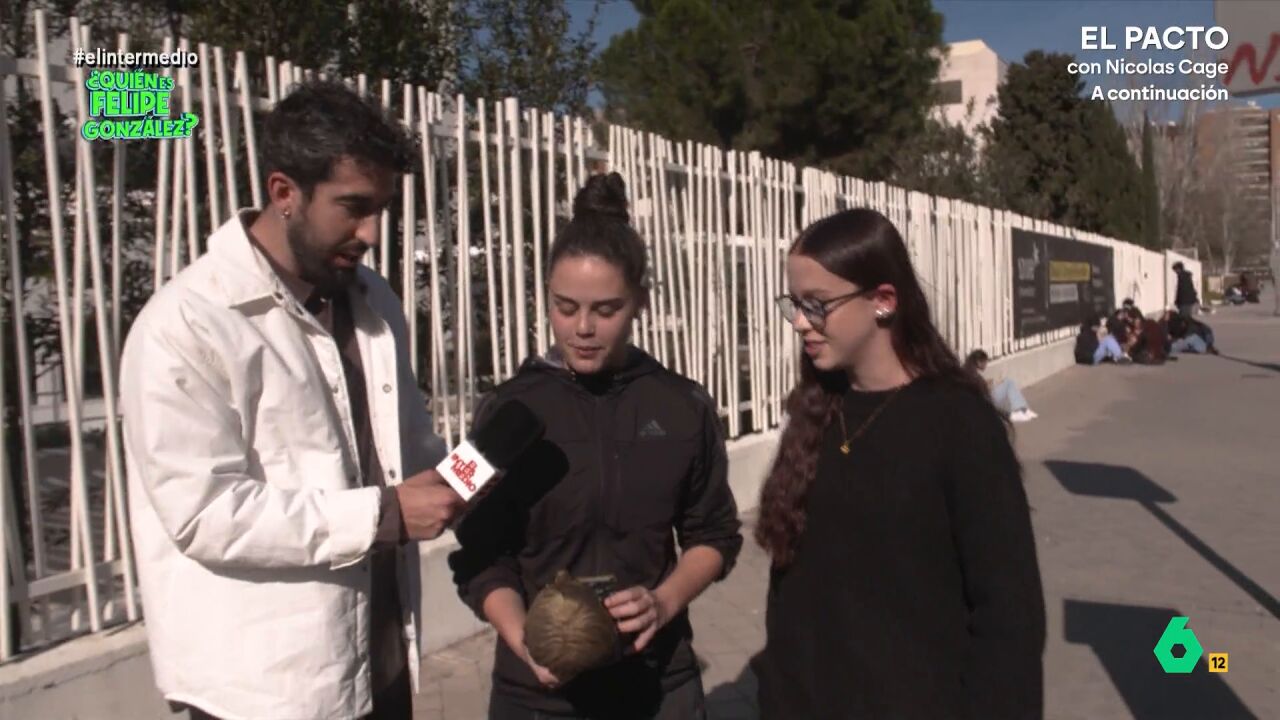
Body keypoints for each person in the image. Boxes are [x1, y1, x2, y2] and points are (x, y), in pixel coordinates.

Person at [119, 81, 468, 720]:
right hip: (264, 692)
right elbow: (206, 514)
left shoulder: (374, 301)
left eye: (381, 210)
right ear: (284, 193)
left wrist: (472, 478)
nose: (369, 232)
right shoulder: (187, 324)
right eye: (352, 207)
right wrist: (383, 515)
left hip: (381, 658)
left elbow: (410, 450)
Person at [449, 173, 743, 720]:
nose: (582, 327)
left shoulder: (684, 406)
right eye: (565, 307)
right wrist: (524, 639)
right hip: (536, 695)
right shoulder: (503, 410)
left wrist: (664, 601)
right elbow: (476, 553)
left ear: (640, 303)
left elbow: (716, 535)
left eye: (606, 310)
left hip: (659, 686)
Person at [753, 208, 1045, 718]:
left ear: (883, 301)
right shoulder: (815, 409)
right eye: (795, 304)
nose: (800, 322)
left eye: (817, 305)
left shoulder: (959, 423)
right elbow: (791, 593)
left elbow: (1009, 615)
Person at [964, 350, 1037, 422]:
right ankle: (1022, 411)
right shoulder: (974, 376)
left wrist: (990, 383)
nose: (986, 364)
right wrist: (994, 384)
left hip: (980, 400)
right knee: (1008, 382)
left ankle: (1023, 410)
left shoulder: (968, 371)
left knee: (1007, 382)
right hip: (986, 401)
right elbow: (984, 392)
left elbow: (980, 387)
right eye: (985, 362)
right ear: (978, 362)